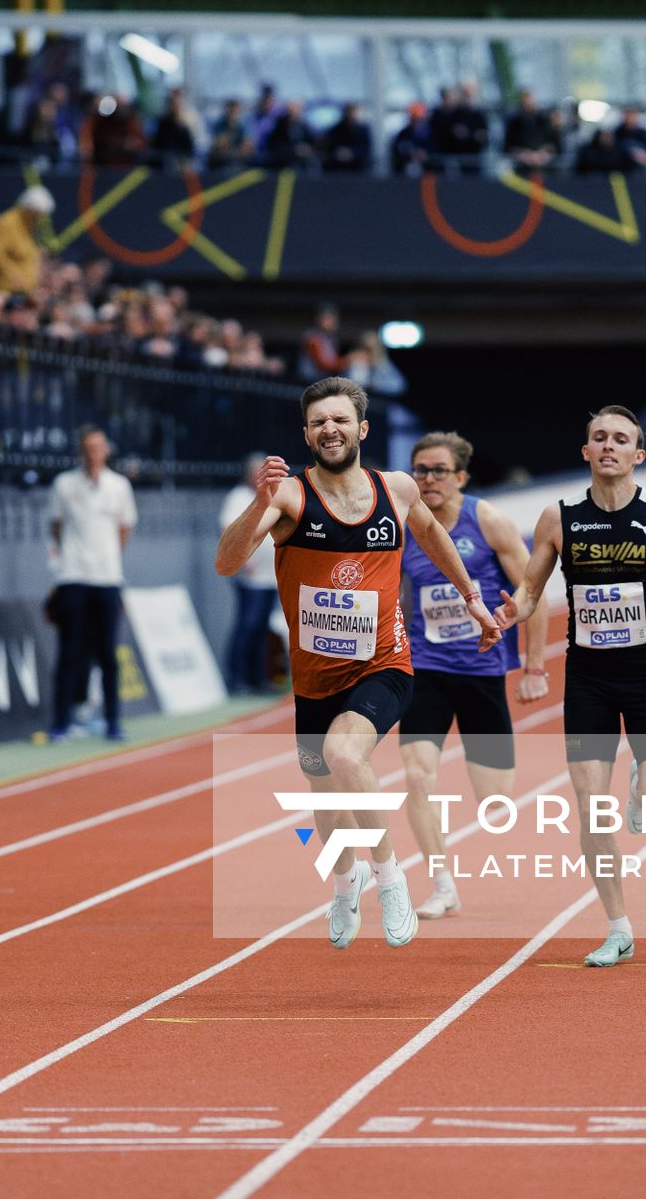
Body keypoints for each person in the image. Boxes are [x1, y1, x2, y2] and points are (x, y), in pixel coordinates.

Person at [214, 377, 503, 950]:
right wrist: (258, 501)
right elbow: (227, 563)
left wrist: (472, 597)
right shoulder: (291, 498)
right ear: (307, 434)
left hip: (384, 662)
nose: (330, 429)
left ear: (361, 429)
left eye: (341, 420)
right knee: (324, 798)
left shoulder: (395, 489)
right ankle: (347, 885)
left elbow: (432, 534)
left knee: (344, 753)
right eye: (319, 422)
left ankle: (391, 879)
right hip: (314, 676)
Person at [506, 406, 646, 966]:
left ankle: (642, 781)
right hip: (588, 682)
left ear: (639, 455)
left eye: (620, 439)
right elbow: (531, 591)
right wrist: (504, 616)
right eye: (599, 438)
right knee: (590, 809)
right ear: (585, 452)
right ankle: (618, 926)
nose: (609, 446)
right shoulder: (558, 519)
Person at [398, 431, 544, 919]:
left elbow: (532, 591)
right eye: (420, 470)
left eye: (438, 470)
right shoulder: (406, 528)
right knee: (417, 776)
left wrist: (534, 666)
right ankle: (442, 883)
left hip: (483, 670)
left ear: (460, 477)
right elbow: (399, 598)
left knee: (493, 798)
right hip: (426, 668)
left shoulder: (489, 521)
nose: (428, 479)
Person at [47, 426, 138, 741]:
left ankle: (113, 721)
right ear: (79, 452)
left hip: (107, 578)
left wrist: (106, 558)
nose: (92, 453)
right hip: (72, 576)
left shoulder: (119, 486)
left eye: (98, 447)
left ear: (106, 451)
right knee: (69, 650)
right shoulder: (64, 484)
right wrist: (72, 559)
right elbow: (56, 526)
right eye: (87, 447)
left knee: (107, 653)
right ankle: (61, 721)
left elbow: (124, 530)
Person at [219, 453, 280, 695]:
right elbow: (228, 529)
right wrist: (242, 560)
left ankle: (258, 678)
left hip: (269, 576)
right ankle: (236, 678)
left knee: (263, 628)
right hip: (250, 577)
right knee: (247, 625)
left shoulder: (272, 497)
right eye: (256, 472)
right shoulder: (239, 497)